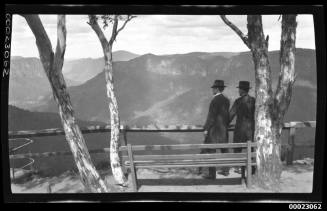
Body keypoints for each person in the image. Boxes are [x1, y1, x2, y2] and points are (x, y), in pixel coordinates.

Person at [200, 80, 230, 179]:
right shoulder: (227, 100)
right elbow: (227, 116)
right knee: (224, 150)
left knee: (211, 151)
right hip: (224, 131)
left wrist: (206, 129)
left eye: (213, 88)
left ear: (217, 89)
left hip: (214, 132)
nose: (212, 89)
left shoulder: (214, 100)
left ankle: (212, 174)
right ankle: (226, 171)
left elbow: (211, 117)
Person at [229, 81, 256, 177]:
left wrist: (225, 123)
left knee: (238, 149)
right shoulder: (253, 100)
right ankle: (252, 169)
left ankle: (238, 168)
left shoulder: (238, 101)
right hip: (251, 129)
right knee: (251, 149)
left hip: (240, 129)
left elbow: (231, 115)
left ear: (242, 90)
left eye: (239, 89)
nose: (238, 91)